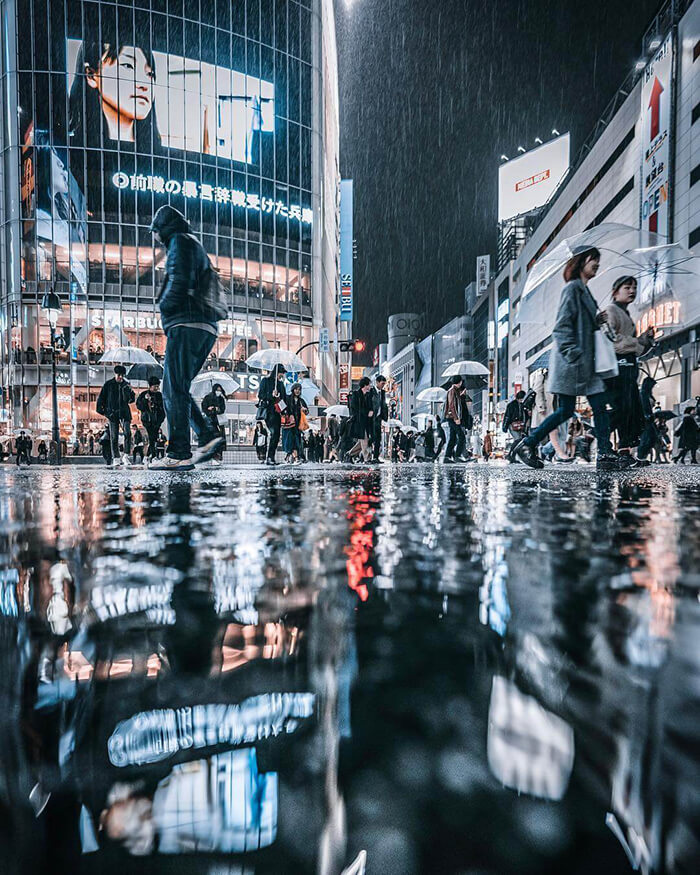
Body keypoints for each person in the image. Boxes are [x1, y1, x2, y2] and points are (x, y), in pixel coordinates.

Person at [514, 247, 627, 470]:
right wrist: (573, 353)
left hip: (584, 362)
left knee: (594, 405)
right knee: (569, 410)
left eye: (598, 260)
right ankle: (528, 444)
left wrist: (596, 320)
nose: (597, 264)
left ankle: (603, 452)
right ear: (581, 262)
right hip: (573, 362)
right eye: (593, 260)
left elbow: (580, 325)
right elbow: (562, 327)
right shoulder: (573, 289)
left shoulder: (584, 291)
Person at [149, 205, 226, 470]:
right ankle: (206, 436)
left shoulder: (179, 242)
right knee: (177, 387)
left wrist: (163, 306)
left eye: (156, 232)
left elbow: (179, 283)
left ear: (163, 228)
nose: (156, 238)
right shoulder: (192, 243)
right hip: (204, 327)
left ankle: (179, 452)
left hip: (187, 324)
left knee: (171, 388)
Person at [68, 26, 162, 151]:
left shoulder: (158, 155)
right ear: (91, 75)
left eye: (150, 74)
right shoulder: (65, 149)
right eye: (128, 66)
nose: (143, 83)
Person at [604, 276, 655, 457]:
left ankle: (624, 451)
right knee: (621, 410)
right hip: (616, 369)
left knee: (631, 411)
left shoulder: (626, 315)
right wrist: (637, 341)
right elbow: (611, 340)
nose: (632, 291)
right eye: (627, 287)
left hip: (628, 370)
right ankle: (592, 438)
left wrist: (645, 341)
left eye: (634, 287)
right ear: (615, 291)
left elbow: (634, 349)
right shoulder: (610, 311)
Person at [96, 365, 135, 467]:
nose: (121, 377)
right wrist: (106, 413)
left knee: (128, 433)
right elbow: (101, 400)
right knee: (114, 437)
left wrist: (130, 392)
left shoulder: (126, 385)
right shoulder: (108, 385)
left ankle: (126, 455)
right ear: (115, 374)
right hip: (113, 414)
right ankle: (116, 458)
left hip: (125, 413)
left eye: (122, 375)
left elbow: (131, 400)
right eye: (119, 375)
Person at [257, 366, 287, 465]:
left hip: (278, 412)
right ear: (276, 372)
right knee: (274, 432)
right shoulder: (265, 381)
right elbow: (261, 395)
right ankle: (269, 457)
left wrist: (278, 397)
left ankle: (271, 457)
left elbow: (284, 399)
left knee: (276, 434)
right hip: (268, 411)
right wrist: (271, 395)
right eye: (281, 372)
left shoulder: (281, 384)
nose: (282, 375)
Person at [136, 376, 166, 461]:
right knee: (150, 438)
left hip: (156, 421)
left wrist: (161, 419)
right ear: (150, 386)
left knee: (154, 438)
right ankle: (151, 455)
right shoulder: (143, 394)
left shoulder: (159, 395)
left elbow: (162, 407)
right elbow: (139, 406)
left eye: (157, 386)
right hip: (147, 421)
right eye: (155, 386)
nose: (157, 388)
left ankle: (151, 456)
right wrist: (145, 400)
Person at [346, 377, 373, 462]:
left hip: (366, 421)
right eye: (369, 384)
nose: (370, 386)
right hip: (359, 421)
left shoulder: (368, 395)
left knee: (362, 441)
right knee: (364, 439)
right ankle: (367, 458)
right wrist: (366, 413)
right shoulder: (356, 394)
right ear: (365, 385)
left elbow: (370, 406)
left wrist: (371, 411)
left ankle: (349, 454)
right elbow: (355, 408)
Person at [282, 383, 308, 463]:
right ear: (293, 390)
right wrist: (288, 414)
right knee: (290, 441)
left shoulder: (301, 401)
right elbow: (282, 408)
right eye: (296, 389)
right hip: (289, 424)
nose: (298, 391)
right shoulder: (288, 398)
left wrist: (305, 410)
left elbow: (307, 411)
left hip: (297, 425)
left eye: (299, 390)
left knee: (296, 441)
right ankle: (295, 458)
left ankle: (289, 457)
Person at [201, 383, 227, 464]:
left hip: (219, 421)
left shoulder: (221, 399)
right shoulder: (208, 398)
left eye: (220, 390)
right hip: (211, 421)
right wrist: (209, 409)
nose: (218, 392)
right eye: (217, 390)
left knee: (220, 438)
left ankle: (218, 456)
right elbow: (204, 408)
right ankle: (213, 456)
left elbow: (222, 409)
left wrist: (217, 408)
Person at [444, 376, 468, 462]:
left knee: (453, 438)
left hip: (451, 417)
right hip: (452, 418)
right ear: (459, 382)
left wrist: (461, 395)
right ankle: (457, 456)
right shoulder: (452, 391)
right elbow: (452, 405)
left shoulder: (455, 391)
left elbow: (456, 403)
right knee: (461, 436)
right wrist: (456, 418)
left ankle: (447, 457)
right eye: (461, 381)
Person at [636, 376, 658, 465]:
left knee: (651, 438)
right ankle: (640, 458)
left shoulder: (647, 394)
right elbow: (643, 407)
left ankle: (641, 457)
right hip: (645, 419)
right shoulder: (643, 394)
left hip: (649, 419)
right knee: (647, 438)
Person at [503, 390, 529, 463]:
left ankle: (513, 456)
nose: (522, 400)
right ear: (518, 398)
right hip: (513, 425)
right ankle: (511, 455)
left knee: (520, 440)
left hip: (521, 425)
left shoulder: (525, 405)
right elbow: (507, 416)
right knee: (518, 440)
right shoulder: (512, 405)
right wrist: (505, 426)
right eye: (521, 399)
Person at [369, 374, 389, 461]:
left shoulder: (383, 393)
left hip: (378, 419)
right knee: (371, 438)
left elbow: (383, 404)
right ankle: (366, 456)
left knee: (378, 438)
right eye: (382, 383)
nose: (383, 385)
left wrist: (385, 415)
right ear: (377, 382)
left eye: (384, 384)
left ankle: (376, 457)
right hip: (371, 418)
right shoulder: (371, 391)